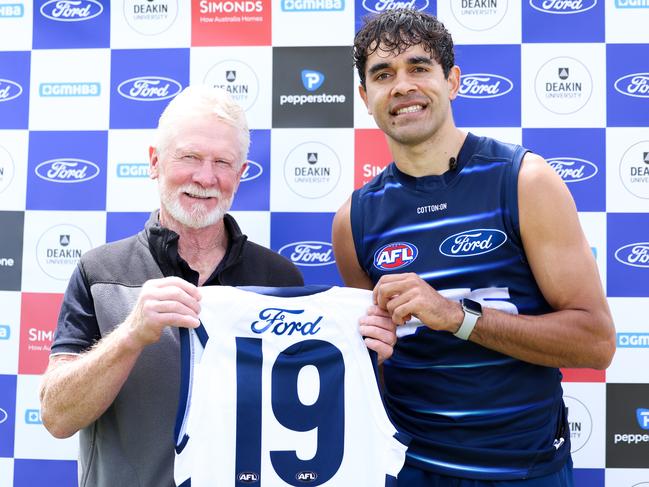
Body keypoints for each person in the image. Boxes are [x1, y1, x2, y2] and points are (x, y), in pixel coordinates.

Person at [332, 9, 615, 487]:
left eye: (419, 68)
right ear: (366, 97)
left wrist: (458, 317)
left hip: (525, 472)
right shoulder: (353, 219)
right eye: (384, 75)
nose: (402, 86)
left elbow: (596, 342)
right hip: (410, 471)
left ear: (453, 81)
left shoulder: (524, 181)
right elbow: (372, 363)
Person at [39, 85, 304, 487]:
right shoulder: (99, 271)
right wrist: (130, 335)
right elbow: (57, 417)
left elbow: (305, 409)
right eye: (190, 157)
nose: (206, 176)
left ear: (241, 174)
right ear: (154, 162)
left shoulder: (280, 278)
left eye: (223, 162)